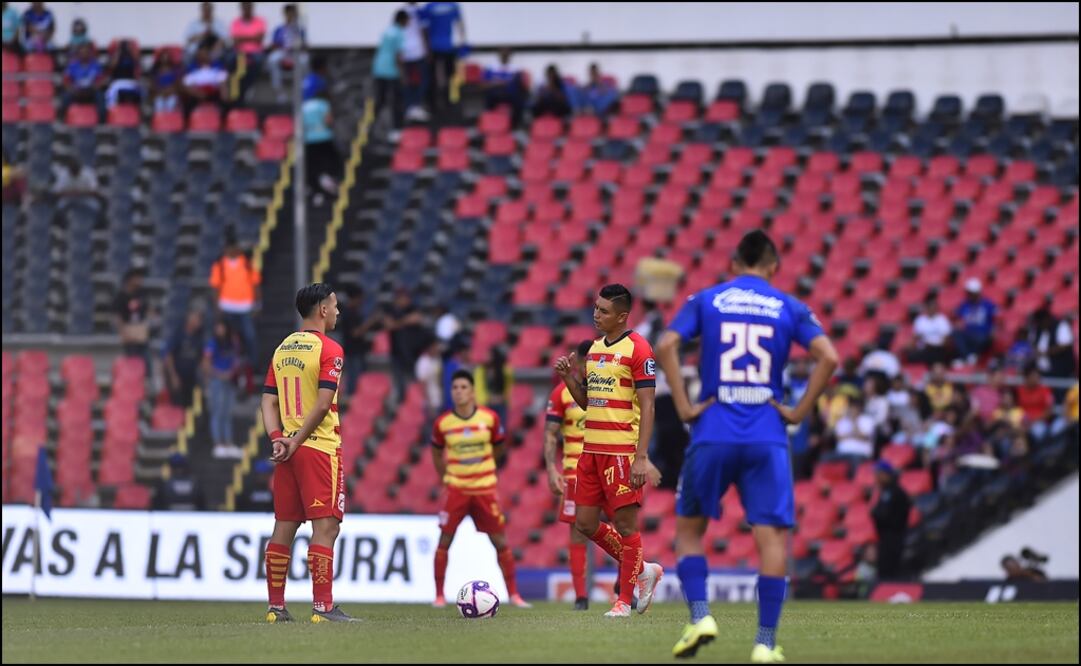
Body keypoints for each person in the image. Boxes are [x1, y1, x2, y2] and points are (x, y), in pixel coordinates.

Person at [655, 230, 839, 661]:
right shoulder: (789, 306)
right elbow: (829, 357)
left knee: (689, 529)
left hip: (713, 426)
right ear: (773, 267)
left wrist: (683, 404)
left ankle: (700, 615)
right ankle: (765, 644)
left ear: (734, 263)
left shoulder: (708, 299)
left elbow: (666, 344)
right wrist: (798, 412)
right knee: (771, 537)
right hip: (767, 432)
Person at [553, 284, 665, 618]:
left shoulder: (639, 350)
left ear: (622, 316)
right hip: (590, 453)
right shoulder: (597, 350)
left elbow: (648, 407)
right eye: (595, 308)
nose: (596, 315)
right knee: (585, 524)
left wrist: (640, 457)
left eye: (603, 311)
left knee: (627, 527)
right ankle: (645, 569)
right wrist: (570, 377)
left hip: (620, 453)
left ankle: (623, 602)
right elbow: (589, 402)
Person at [261, 282, 356, 622]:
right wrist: (299, 440)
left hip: (286, 448)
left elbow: (268, 400)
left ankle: (276, 607)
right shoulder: (330, 349)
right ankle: (323, 607)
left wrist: (278, 438)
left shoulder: (282, 348)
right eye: (334, 305)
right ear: (322, 310)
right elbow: (322, 404)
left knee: (284, 527)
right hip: (316, 449)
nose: (338, 311)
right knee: (326, 528)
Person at [430, 370, 532, 609]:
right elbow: (436, 451)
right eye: (455, 388)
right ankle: (439, 596)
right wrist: (444, 476)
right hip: (456, 488)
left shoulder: (489, 418)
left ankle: (514, 595)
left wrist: (486, 467)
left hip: (485, 488)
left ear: (473, 391)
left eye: (464, 387)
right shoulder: (443, 423)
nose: (459, 392)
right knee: (445, 540)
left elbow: (499, 448)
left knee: (500, 540)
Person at [544, 340, 593, 610]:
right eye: (585, 361)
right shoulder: (561, 394)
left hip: (608, 467)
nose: (588, 366)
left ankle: (626, 589)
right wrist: (552, 469)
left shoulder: (609, 391)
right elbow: (550, 434)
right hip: (575, 473)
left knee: (622, 527)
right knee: (578, 533)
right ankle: (581, 597)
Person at [208, 234, 261, 369]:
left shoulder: (247, 263)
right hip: (226, 307)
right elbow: (215, 287)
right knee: (228, 337)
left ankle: (252, 365)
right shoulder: (220, 265)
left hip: (245, 307)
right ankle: (228, 363)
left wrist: (257, 303)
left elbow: (256, 284)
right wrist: (217, 307)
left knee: (250, 336)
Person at [205, 319, 241, 459]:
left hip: (229, 380)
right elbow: (206, 362)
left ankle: (228, 442)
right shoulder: (212, 343)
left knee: (227, 412)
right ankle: (218, 443)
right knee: (217, 412)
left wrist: (231, 372)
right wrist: (219, 374)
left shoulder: (231, 343)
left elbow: (236, 359)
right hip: (217, 381)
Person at [419, 1, 465, 113]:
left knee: (433, 78)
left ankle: (433, 105)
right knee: (450, 76)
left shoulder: (429, 7)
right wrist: (462, 42)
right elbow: (460, 26)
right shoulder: (453, 6)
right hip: (448, 47)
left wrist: (426, 48)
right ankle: (450, 103)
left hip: (434, 47)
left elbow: (424, 29)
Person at [302, 85, 342, 207]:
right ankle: (329, 179)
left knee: (311, 166)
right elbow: (328, 120)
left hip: (308, 139)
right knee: (333, 162)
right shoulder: (324, 104)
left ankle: (316, 190)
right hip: (324, 138)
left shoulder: (304, 106)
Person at [336, 288, 379, 399]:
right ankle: (353, 402)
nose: (361, 301)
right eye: (360, 298)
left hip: (358, 351)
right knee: (355, 380)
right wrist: (370, 322)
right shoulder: (348, 313)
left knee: (359, 378)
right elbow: (355, 333)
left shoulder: (354, 312)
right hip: (353, 351)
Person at [870, 460, 910, 579]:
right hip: (886, 537)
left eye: (878, 473)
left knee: (890, 570)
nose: (876, 477)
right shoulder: (886, 492)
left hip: (894, 537)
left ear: (886, 474)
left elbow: (887, 516)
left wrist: (875, 514)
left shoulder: (894, 492)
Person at [372, 10, 408, 132]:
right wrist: (402, 73)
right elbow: (398, 55)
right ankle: (396, 128)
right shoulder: (399, 33)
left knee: (380, 100)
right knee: (397, 100)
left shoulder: (387, 31)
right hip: (391, 70)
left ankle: (371, 125)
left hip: (379, 68)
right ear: (402, 20)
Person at [163, 308, 206, 408]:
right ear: (189, 318)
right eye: (196, 318)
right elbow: (168, 355)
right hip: (177, 376)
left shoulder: (199, 337)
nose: (199, 322)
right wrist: (173, 376)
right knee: (177, 406)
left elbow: (201, 358)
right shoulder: (178, 334)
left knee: (190, 407)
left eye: (200, 320)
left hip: (191, 379)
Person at [952, 277, 996, 367]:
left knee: (984, 338)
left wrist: (992, 330)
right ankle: (967, 357)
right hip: (968, 333)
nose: (969, 295)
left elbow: (995, 320)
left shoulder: (988, 304)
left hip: (983, 334)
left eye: (971, 293)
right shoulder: (965, 304)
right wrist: (958, 324)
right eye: (969, 292)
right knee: (956, 333)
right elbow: (958, 318)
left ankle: (970, 357)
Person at [267, 3, 305, 102]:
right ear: (285, 14)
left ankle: (300, 91)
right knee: (272, 59)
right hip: (282, 52)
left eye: (293, 13)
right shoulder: (279, 29)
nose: (291, 15)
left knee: (304, 61)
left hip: (296, 53)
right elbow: (274, 44)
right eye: (289, 13)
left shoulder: (300, 29)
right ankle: (279, 92)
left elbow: (304, 45)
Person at [400, 1, 429, 121]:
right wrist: (427, 48)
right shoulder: (419, 11)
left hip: (405, 52)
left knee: (408, 81)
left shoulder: (401, 11)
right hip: (417, 51)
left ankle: (410, 107)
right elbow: (423, 31)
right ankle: (415, 106)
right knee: (423, 80)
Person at [114, 268, 151, 359]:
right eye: (138, 277)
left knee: (145, 359)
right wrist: (123, 333)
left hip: (141, 330)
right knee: (132, 359)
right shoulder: (121, 296)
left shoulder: (141, 293)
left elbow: (148, 310)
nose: (140, 280)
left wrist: (147, 325)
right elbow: (117, 316)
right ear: (130, 279)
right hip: (128, 330)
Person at [910, 296, 952, 366]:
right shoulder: (920, 320)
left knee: (936, 354)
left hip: (938, 348)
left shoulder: (942, 320)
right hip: (925, 348)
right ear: (927, 308)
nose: (932, 309)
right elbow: (917, 337)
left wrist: (936, 345)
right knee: (911, 355)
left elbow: (946, 338)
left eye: (934, 307)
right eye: (930, 307)